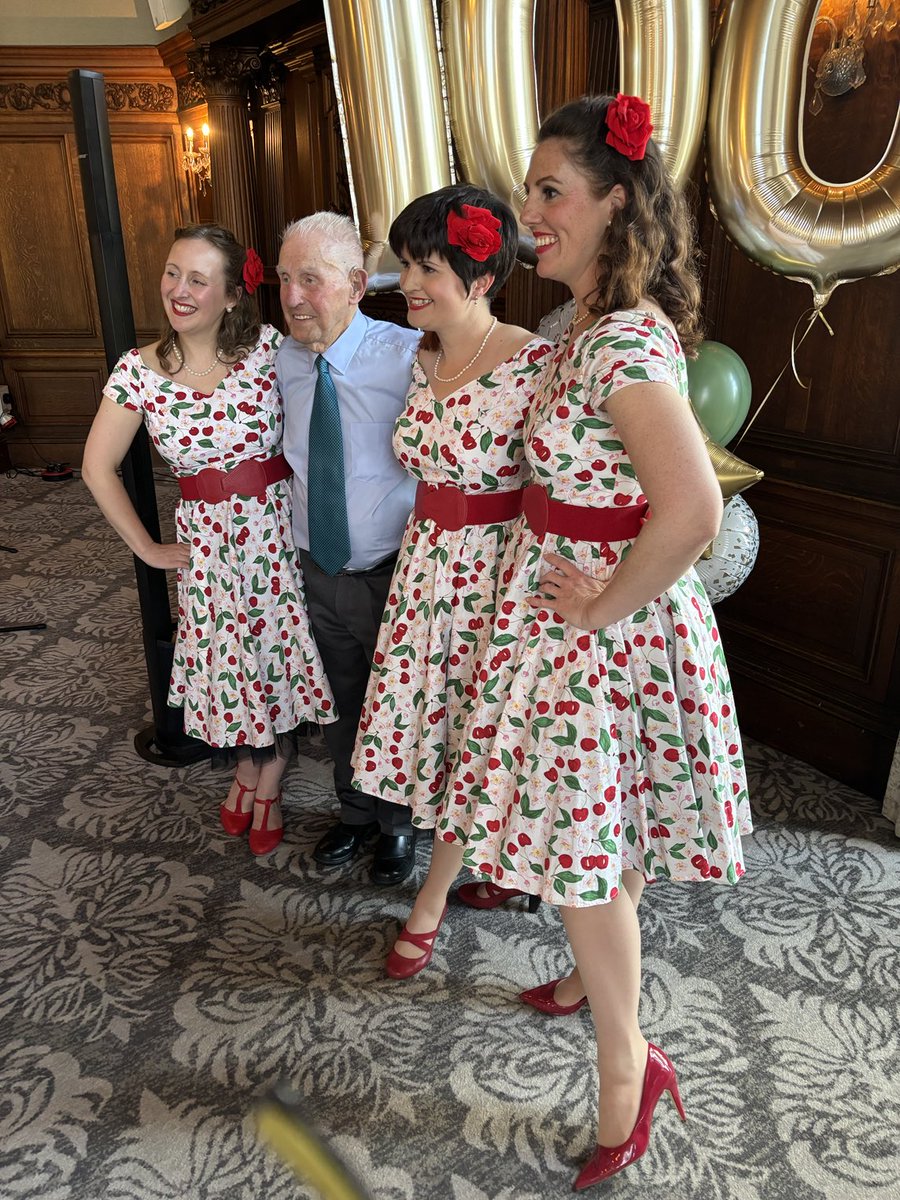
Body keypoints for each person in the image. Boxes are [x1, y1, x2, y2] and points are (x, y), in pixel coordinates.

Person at [446, 95, 752, 1188]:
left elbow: (694, 514)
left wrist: (601, 607)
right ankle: (591, 986)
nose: (530, 213)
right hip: (569, 612)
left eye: (549, 192)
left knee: (582, 860)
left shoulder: (620, 339)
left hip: (598, 630)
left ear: (615, 202)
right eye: (532, 192)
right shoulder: (583, 325)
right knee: (590, 840)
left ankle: (630, 1063)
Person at [347, 185, 552, 978]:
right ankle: (493, 869)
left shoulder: (534, 362)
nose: (409, 282)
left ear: (481, 277)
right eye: (405, 264)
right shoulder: (420, 354)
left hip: (496, 579)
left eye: (426, 266)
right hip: (425, 567)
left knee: (477, 741)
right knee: (430, 736)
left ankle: (429, 902)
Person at [83, 223, 336, 855]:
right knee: (229, 661)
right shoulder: (137, 372)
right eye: (173, 273)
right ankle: (250, 766)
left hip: (277, 532)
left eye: (198, 278)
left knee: (275, 655)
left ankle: (268, 772)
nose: (179, 289)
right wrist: (145, 548)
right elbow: (96, 467)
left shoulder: (267, 351)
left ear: (230, 295)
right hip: (207, 542)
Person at [275, 213, 421, 886]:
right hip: (316, 568)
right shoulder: (277, 362)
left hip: (393, 574)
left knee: (394, 706)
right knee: (337, 700)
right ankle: (355, 813)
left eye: (311, 279)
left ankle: (397, 828)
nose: (294, 297)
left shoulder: (409, 356)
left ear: (358, 284)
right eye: (284, 279)